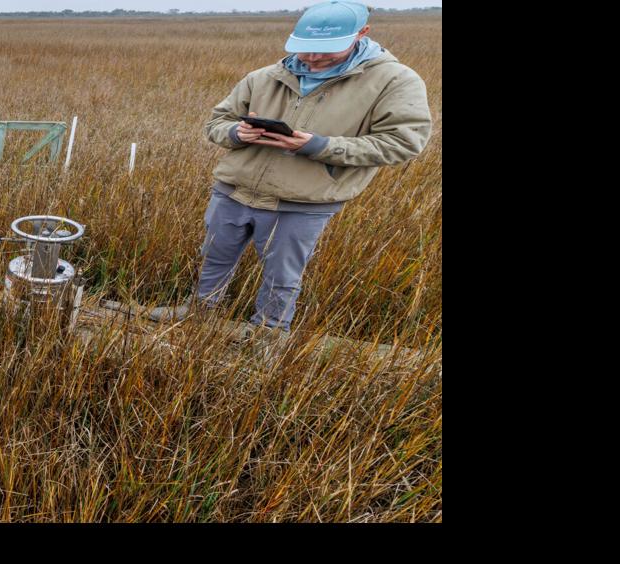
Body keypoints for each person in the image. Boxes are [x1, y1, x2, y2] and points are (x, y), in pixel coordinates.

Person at [149, 1, 433, 333]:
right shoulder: (265, 77)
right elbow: (217, 122)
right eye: (305, 47)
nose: (312, 57)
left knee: (282, 275)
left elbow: (404, 142)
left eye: (326, 49)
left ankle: (269, 334)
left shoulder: (395, 81)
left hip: (303, 200)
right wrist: (235, 133)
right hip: (234, 189)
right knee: (213, 256)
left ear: (362, 33)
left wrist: (319, 146)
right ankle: (199, 314)